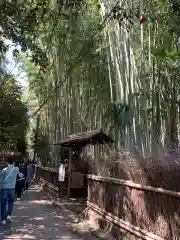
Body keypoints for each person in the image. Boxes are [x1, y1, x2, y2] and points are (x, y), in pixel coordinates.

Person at [0, 156, 23, 224]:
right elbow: (20, 175)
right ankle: (9, 215)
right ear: (13, 162)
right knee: (11, 202)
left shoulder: (4, 170)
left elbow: (0, 180)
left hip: (4, 189)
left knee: (3, 204)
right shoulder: (16, 169)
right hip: (12, 189)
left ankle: (3, 220)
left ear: (7, 162)